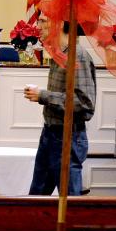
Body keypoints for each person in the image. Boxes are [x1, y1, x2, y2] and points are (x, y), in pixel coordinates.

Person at [23, 16, 96, 196]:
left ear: (61, 22)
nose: (38, 26)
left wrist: (43, 96)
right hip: (50, 133)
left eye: (43, 21)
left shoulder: (77, 55)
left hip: (67, 137)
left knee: (69, 202)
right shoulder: (59, 54)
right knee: (37, 198)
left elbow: (85, 104)